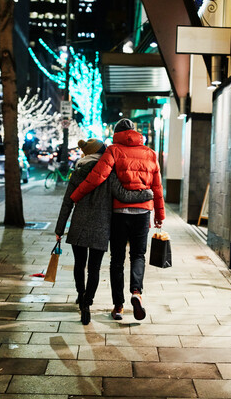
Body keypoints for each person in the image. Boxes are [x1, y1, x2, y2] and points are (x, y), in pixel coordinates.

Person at [70, 119, 165, 321]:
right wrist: (160, 214)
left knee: (117, 259)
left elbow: (97, 176)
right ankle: (136, 293)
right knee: (138, 255)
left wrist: (75, 196)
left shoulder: (113, 150)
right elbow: (157, 187)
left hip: (119, 213)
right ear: (134, 132)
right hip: (142, 213)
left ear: (117, 133)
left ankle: (118, 306)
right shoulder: (150, 153)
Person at [55, 138, 152, 325]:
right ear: (101, 153)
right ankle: (88, 302)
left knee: (79, 264)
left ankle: (80, 295)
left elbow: (67, 202)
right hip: (101, 227)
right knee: (94, 269)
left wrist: (60, 229)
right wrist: (147, 195)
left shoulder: (77, 172)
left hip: (79, 226)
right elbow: (124, 195)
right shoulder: (109, 174)